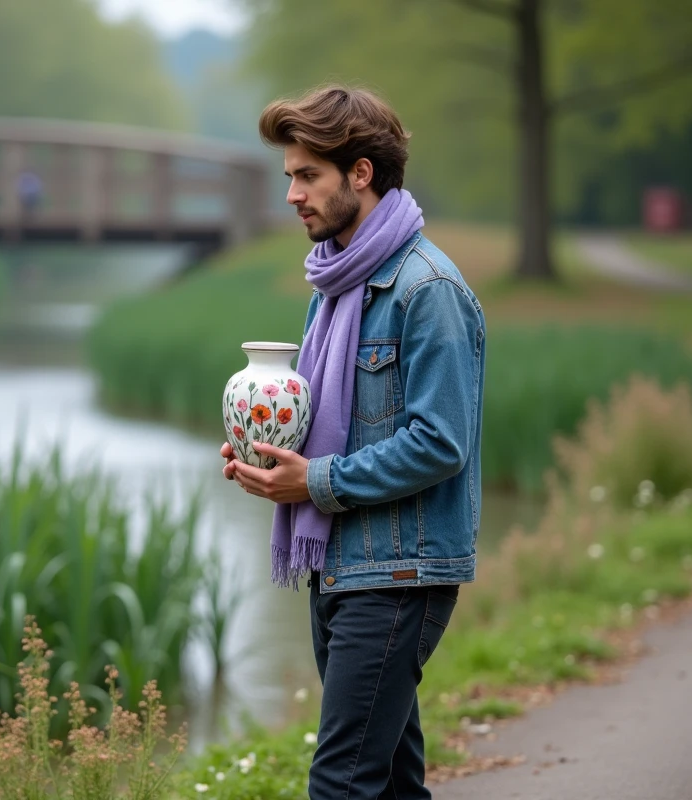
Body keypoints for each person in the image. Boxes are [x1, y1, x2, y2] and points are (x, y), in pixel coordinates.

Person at [219, 85, 486, 800]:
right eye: (289, 178)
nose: (292, 195)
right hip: (340, 564)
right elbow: (331, 418)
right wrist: (263, 454)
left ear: (359, 174)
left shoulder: (427, 290)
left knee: (341, 783)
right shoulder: (336, 286)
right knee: (392, 783)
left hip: (399, 575)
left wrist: (316, 483)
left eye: (307, 175)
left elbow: (440, 442)